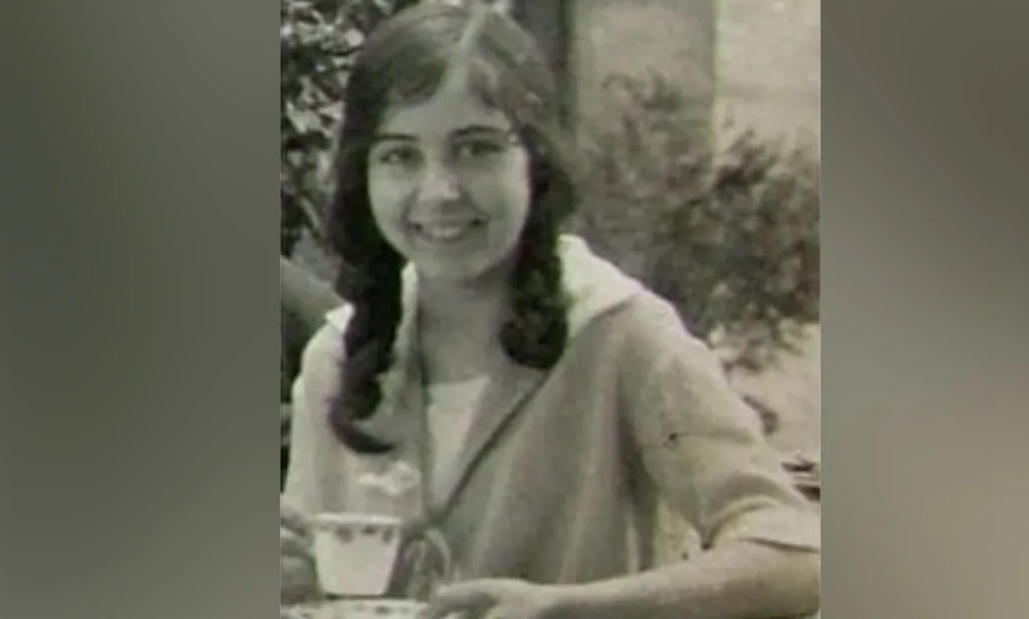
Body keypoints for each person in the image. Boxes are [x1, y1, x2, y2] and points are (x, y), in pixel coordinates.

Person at [281, 4, 820, 618]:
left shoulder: (620, 334)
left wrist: (578, 610)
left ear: (537, 161)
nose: (439, 191)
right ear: (363, 173)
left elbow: (797, 559)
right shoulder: (337, 357)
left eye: (476, 149)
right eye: (400, 156)